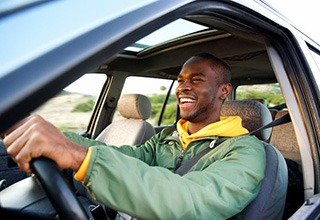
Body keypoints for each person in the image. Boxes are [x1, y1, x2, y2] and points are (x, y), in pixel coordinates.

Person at [3, 53, 266, 219]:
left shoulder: (244, 151)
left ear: (224, 90)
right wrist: (59, 138)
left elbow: (191, 201)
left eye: (196, 79)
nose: (183, 86)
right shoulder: (168, 138)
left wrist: (78, 156)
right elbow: (128, 156)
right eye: (181, 79)